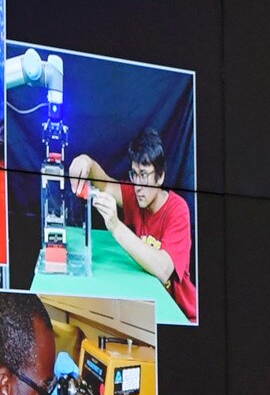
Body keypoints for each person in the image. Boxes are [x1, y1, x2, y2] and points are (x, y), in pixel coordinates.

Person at [69, 128, 198, 323]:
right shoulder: (138, 197)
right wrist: (85, 161)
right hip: (150, 308)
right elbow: (105, 184)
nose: (138, 184)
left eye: (144, 175)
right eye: (134, 174)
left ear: (160, 176)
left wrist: (116, 226)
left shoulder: (177, 210)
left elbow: (163, 270)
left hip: (180, 315)